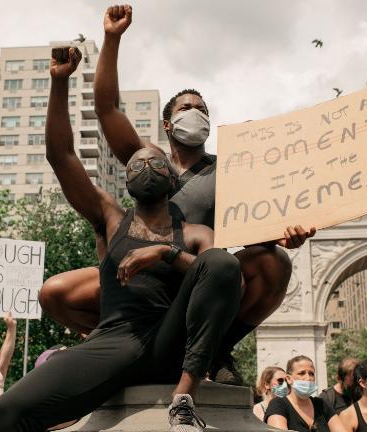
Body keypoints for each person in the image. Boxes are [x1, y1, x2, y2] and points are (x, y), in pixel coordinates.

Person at [37, 3, 316, 386]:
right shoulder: (147, 163)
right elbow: (105, 110)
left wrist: (284, 233)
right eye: (186, 108)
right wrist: (112, 37)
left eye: (202, 109)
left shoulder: (231, 171)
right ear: (167, 126)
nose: (196, 113)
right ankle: (115, 339)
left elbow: (256, 227)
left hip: (193, 278)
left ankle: (214, 348)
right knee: (55, 292)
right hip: (133, 282)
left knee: (273, 262)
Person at [0, 45, 242, 432]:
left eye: (155, 160)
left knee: (222, 261)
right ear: (126, 178)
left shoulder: (195, 234)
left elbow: (226, 278)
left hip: (170, 341)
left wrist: (164, 253)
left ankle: (183, 399)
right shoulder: (110, 217)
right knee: (8, 410)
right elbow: (62, 155)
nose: (145, 161)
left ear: (172, 178)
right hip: (114, 342)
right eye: (137, 161)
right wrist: (59, 84)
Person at [265, 355, 348, 431]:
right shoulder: (278, 405)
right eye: (301, 373)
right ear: (289, 379)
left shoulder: (322, 404)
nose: (308, 378)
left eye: (311, 374)